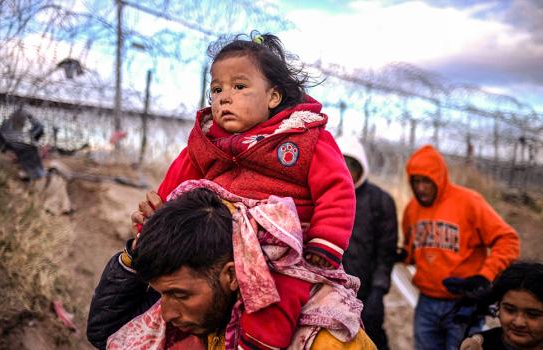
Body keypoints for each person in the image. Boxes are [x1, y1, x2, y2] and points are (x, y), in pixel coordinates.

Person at [131, 31, 355, 349]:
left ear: (273, 97)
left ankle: (258, 342)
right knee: (189, 298)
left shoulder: (303, 137)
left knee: (279, 292)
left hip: (280, 248)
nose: (224, 97)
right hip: (220, 245)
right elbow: (175, 186)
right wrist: (152, 225)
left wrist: (326, 241)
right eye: (217, 89)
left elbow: (337, 189)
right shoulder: (206, 142)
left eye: (239, 87)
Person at [88, 184, 375, 350]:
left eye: (180, 295)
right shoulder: (208, 316)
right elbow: (107, 334)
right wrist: (136, 253)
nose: (166, 313)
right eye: (162, 294)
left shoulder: (326, 342)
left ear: (231, 275)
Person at [401, 144, 520, 350]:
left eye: (426, 181)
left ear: (439, 178)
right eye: (416, 181)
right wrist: (404, 254)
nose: (421, 188)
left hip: (463, 303)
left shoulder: (469, 201)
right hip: (427, 303)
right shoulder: (412, 208)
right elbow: (415, 251)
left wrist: (485, 276)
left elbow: (508, 240)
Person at [336, 135, 398, 350]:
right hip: (330, 290)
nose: (347, 171)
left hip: (366, 292)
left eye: (353, 165)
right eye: (341, 163)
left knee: (371, 341)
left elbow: (386, 253)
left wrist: (378, 293)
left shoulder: (381, 201)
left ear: (362, 168)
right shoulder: (322, 196)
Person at [460, 262, 543, 350]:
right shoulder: (478, 345)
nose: (518, 323)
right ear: (498, 307)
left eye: (532, 314)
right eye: (510, 310)